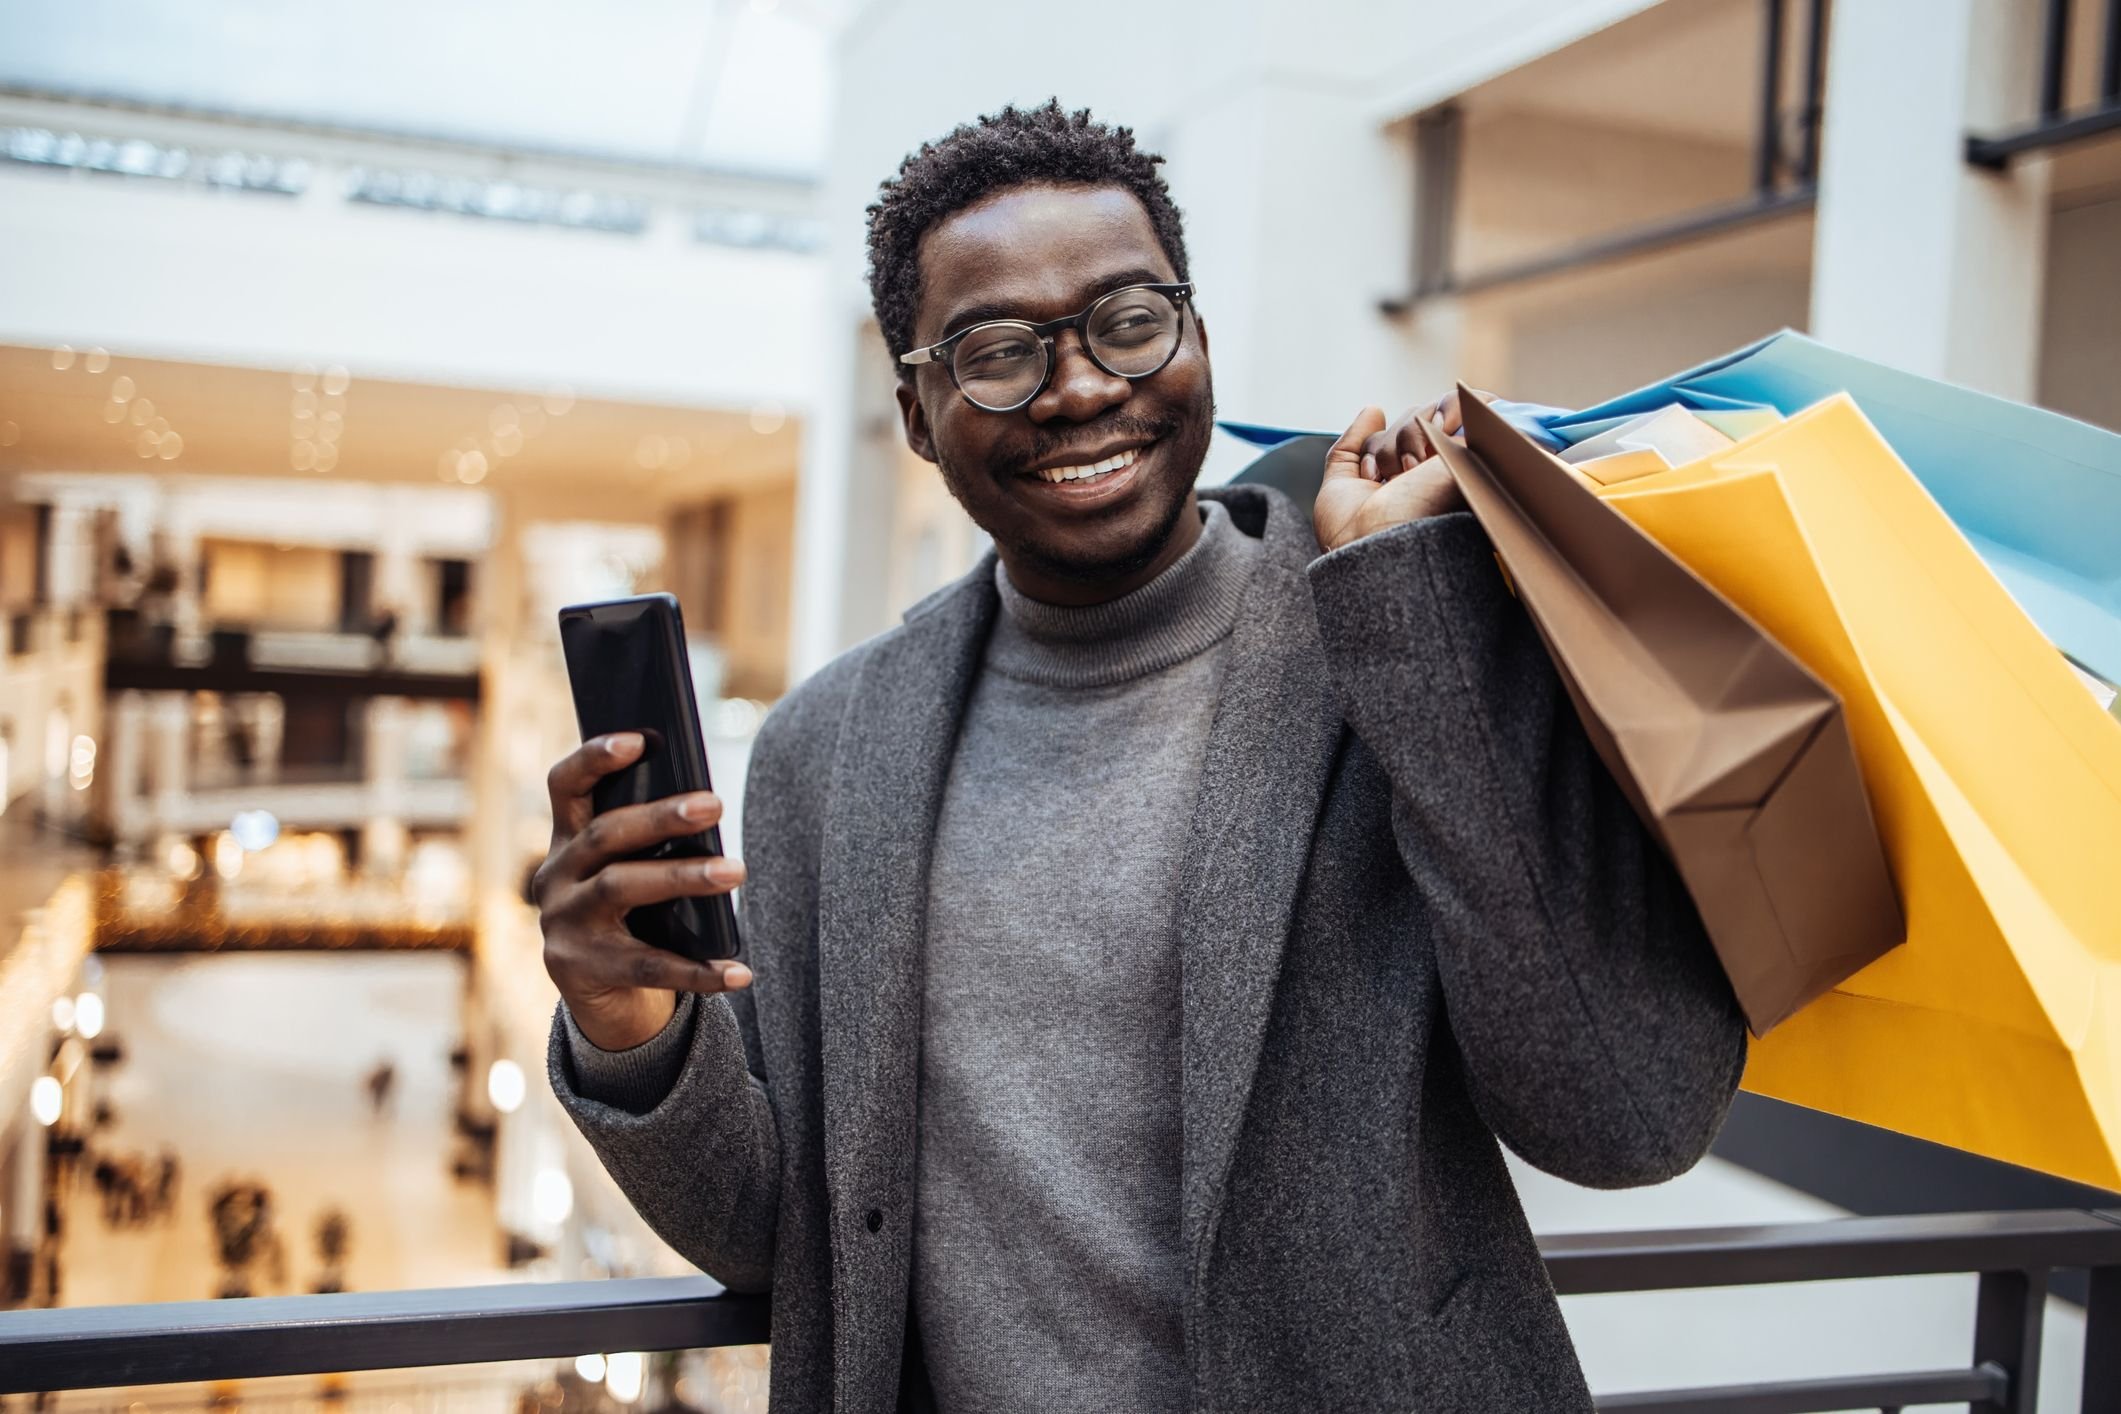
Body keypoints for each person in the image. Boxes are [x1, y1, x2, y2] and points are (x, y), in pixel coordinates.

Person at [537, 102, 1745, 1413]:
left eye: (1126, 322)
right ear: (918, 413)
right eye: (997, 351)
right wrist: (626, 1031)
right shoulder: (830, 749)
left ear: (1195, 339)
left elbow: (1624, 1121)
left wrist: (1407, 616)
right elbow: (788, 1231)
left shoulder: (1390, 645)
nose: (1077, 388)